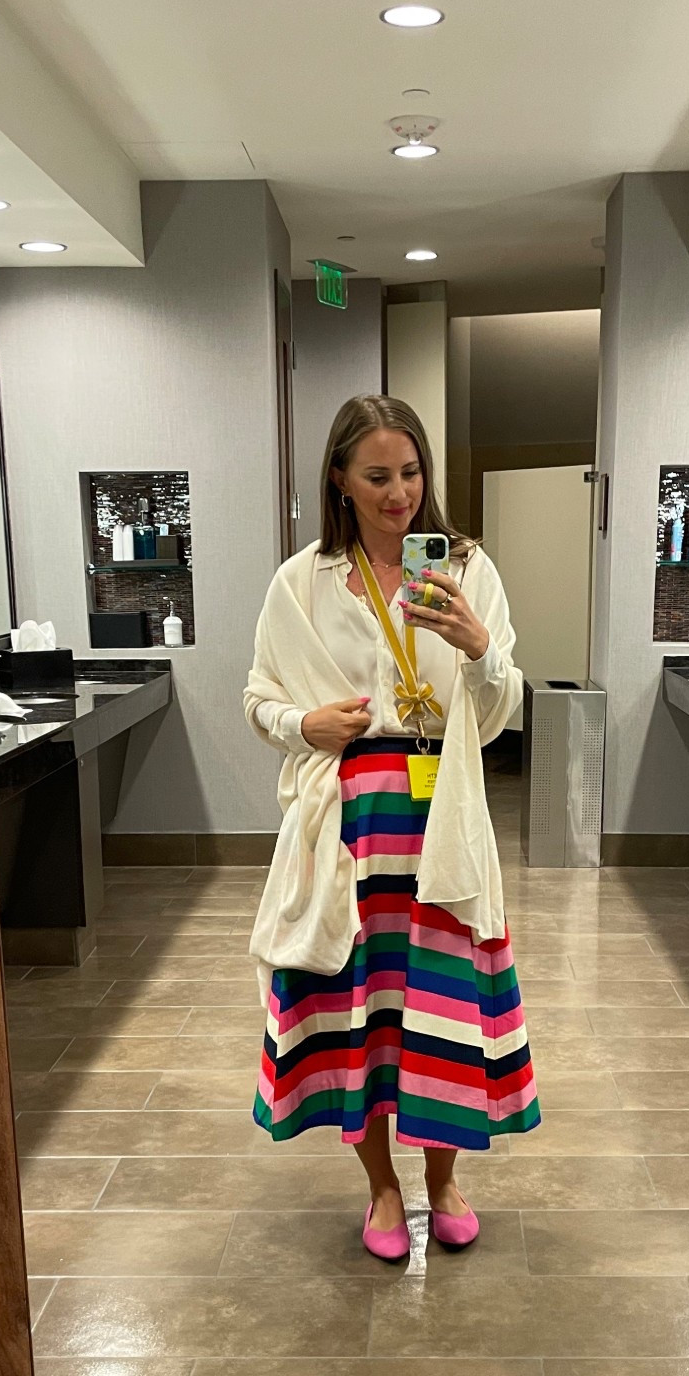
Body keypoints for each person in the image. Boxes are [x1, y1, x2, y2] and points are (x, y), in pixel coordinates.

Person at [244, 393, 540, 1259]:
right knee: (359, 1009)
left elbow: (501, 713)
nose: (399, 494)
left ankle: (442, 1180)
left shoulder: (467, 569)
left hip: (444, 812)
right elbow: (258, 696)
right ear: (339, 479)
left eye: (411, 473)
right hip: (350, 824)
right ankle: (380, 1186)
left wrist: (479, 648)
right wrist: (304, 725)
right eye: (376, 476)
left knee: (443, 1005)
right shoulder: (301, 582)